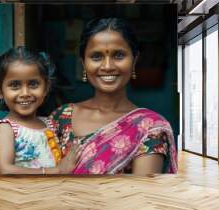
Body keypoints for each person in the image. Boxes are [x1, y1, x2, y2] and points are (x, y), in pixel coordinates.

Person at [50, 18, 178, 175]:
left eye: (118, 55)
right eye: (96, 56)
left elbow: (142, 195)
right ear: (83, 63)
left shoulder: (150, 127)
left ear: (134, 60)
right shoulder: (61, 117)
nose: (108, 66)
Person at [0, 46, 77, 174]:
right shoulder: (6, 129)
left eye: (33, 84)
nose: (25, 93)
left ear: (46, 87)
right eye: (15, 85)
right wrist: (56, 171)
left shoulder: (49, 124)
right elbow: (5, 170)